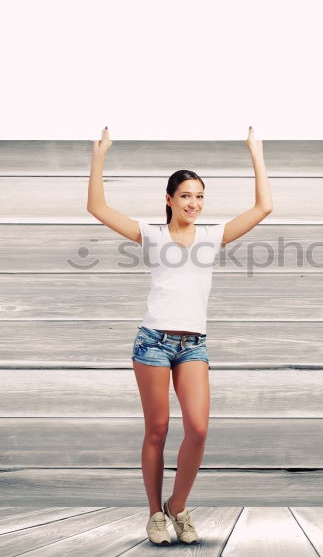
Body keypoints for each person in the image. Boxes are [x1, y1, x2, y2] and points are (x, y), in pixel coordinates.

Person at [86, 126, 273, 545]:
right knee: (156, 429)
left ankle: (178, 506)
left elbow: (264, 207)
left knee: (199, 429)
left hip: (193, 346)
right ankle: (155, 515)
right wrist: (100, 155)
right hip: (152, 342)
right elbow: (97, 207)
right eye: (186, 195)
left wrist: (255, 152)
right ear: (169, 199)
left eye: (200, 196)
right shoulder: (151, 235)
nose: (194, 203)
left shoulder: (212, 237)